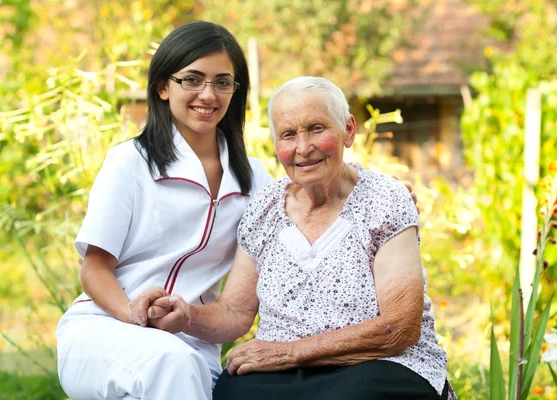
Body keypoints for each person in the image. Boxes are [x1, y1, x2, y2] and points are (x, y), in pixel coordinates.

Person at [56, 21, 419, 400]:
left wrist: (388, 193)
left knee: (209, 378)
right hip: (105, 328)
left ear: (235, 90)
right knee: (172, 366)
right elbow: (94, 270)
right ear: (163, 87)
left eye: (222, 82)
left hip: (194, 343)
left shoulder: (254, 180)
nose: (207, 94)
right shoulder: (130, 163)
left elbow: (315, 188)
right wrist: (134, 314)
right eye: (192, 80)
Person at [130, 76, 455, 400]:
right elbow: (234, 312)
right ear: (277, 146)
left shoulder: (385, 200)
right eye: (288, 135)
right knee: (234, 393)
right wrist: (185, 315)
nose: (303, 148)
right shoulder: (265, 208)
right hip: (286, 372)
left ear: (349, 131)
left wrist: (290, 352)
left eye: (316, 128)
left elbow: (399, 328)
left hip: (380, 363)